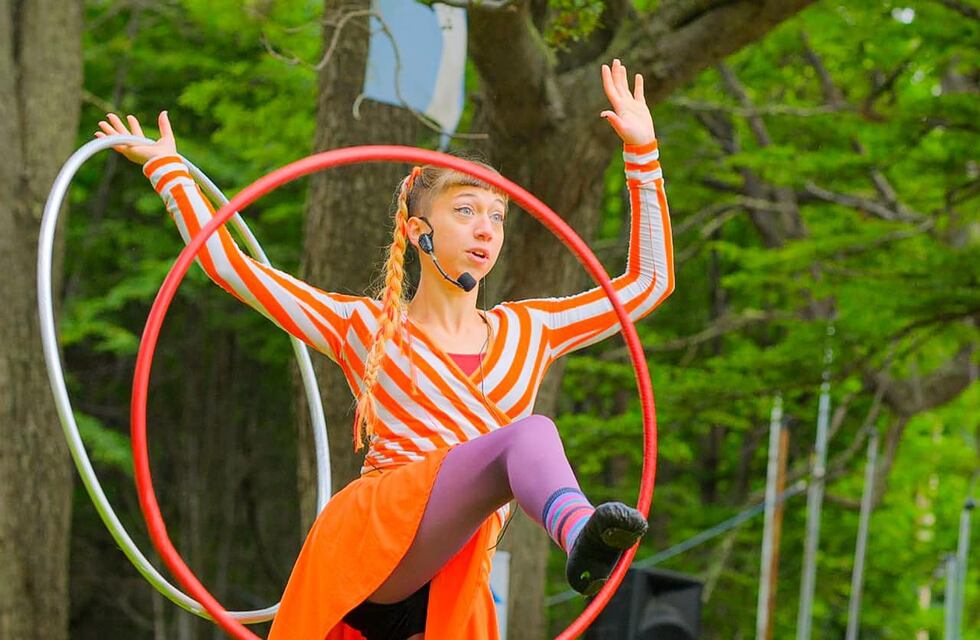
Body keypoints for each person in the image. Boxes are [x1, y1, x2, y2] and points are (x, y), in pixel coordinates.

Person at [96, 58, 673, 640]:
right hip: (373, 542)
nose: (486, 229)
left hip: (454, 573)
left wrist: (643, 155)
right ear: (420, 233)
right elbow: (227, 264)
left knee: (514, 453)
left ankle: (581, 534)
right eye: (465, 211)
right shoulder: (366, 326)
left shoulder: (532, 330)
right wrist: (169, 171)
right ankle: (580, 531)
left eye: (496, 218)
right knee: (527, 437)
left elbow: (648, 285)